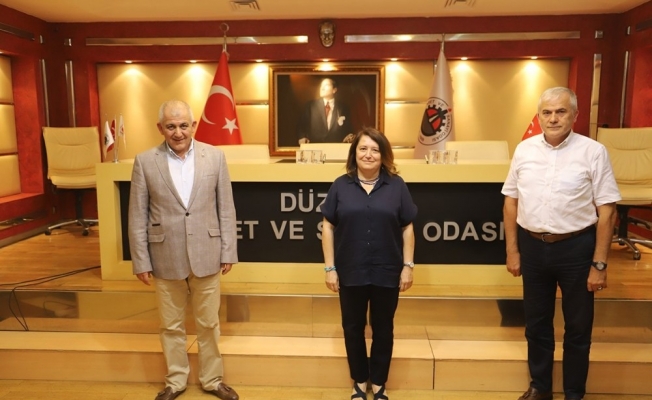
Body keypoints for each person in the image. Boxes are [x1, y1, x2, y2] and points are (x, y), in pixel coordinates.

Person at [502, 87, 621, 400]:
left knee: (578, 328)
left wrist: (599, 264)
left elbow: (607, 211)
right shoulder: (524, 150)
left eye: (560, 112)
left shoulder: (593, 152)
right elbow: (511, 202)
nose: (553, 118)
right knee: (536, 324)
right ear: (539, 116)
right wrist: (512, 250)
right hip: (532, 247)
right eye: (547, 112)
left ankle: (573, 393)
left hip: (576, 249)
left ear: (575, 115)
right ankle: (540, 387)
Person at [128, 100, 240, 400]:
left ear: (193, 125)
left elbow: (226, 208)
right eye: (171, 126)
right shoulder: (145, 161)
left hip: (208, 253)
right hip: (165, 256)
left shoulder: (215, 157)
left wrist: (228, 251)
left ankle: (212, 380)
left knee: (209, 324)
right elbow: (137, 215)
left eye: (183, 125)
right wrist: (141, 260)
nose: (178, 132)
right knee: (170, 325)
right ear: (160, 128)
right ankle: (176, 381)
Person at [321, 127, 417, 400]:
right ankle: (360, 381)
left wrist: (408, 265)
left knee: (383, 328)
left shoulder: (397, 185)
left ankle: (379, 382)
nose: (368, 154)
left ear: (383, 155)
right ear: (354, 153)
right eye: (363, 148)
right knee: (352, 327)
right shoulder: (340, 185)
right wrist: (330, 268)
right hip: (350, 270)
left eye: (375, 149)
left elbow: (407, 227)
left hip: (387, 270)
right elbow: (327, 227)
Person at [297, 77, 354, 144]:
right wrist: (302, 137)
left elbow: (348, 129)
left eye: (326, 85)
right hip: (314, 146)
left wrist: (349, 136)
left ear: (334, 90)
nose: (322, 88)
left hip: (336, 146)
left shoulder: (343, 108)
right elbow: (302, 126)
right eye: (321, 85)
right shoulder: (310, 106)